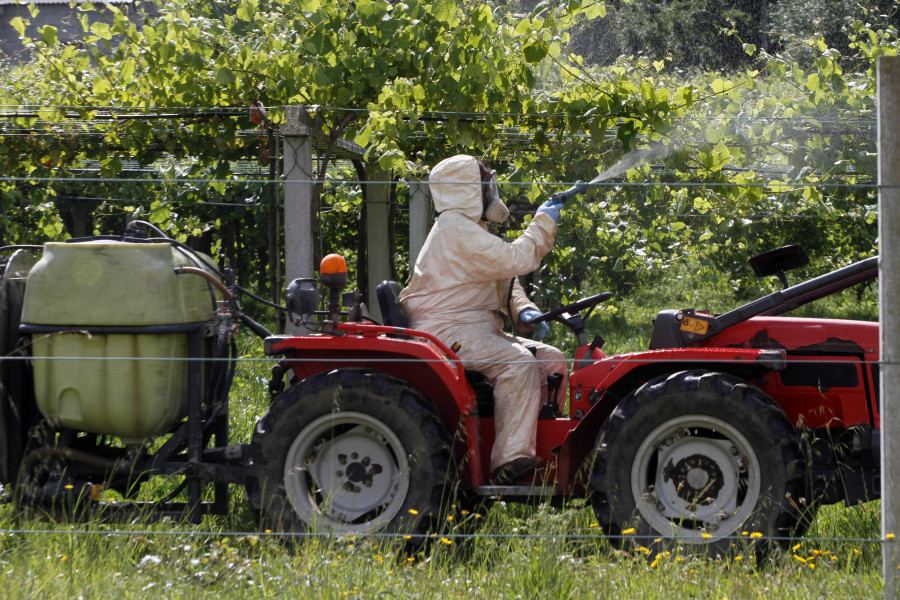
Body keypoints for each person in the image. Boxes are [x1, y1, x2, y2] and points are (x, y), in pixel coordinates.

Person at [399, 154, 568, 484]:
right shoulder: (455, 229)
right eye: (485, 182)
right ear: (466, 190)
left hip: (472, 327)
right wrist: (543, 223)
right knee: (517, 363)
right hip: (445, 331)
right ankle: (510, 461)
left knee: (552, 361)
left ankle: (545, 454)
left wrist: (523, 310)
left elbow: (504, 278)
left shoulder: (470, 228)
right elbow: (515, 258)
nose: (492, 190)